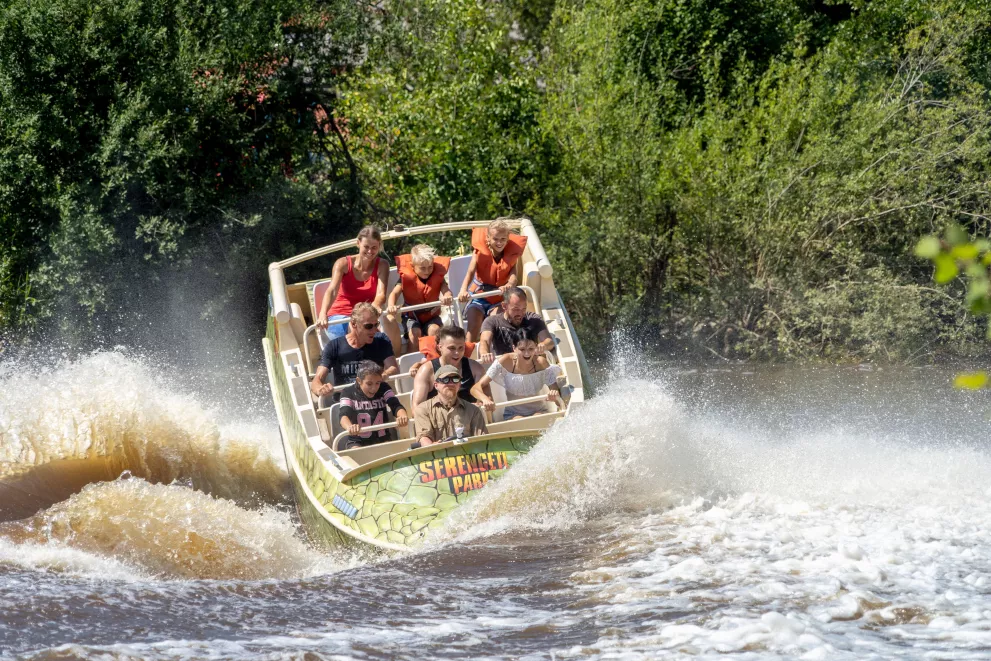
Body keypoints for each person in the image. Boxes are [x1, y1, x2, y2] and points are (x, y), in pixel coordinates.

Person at [314, 225, 402, 350]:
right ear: (358, 243)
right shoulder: (342, 264)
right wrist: (322, 314)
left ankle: (395, 361)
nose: (370, 252)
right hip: (341, 316)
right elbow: (332, 290)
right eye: (366, 247)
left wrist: (374, 307)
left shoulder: (382, 265)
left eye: (374, 248)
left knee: (390, 322)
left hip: (367, 316)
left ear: (379, 246)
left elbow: (380, 294)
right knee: (361, 328)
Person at [457, 219, 528, 342]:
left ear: (507, 239)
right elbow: (470, 272)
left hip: (498, 298)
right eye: (495, 239)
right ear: (488, 238)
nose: (499, 242)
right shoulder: (479, 252)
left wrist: (509, 285)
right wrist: (463, 290)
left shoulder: (511, 253)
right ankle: (467, 358)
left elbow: (513, 275)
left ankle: (495, 355)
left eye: (503, 239)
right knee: (473, 328)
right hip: (479, 296)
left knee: (496, 324)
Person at [472, 326, 563, 419]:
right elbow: (475, 388)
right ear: (514, 348)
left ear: (536, 347)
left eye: (531, 349)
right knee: (520, 421)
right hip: (513, 414)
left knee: (537, 418)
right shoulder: (505, 360)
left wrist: (554, 395)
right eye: (522, 349)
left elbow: (556, 394)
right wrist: (485, 399)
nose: (527, 353)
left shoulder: (542, 362)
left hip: (539, 411)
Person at [310, 303, 398, 399]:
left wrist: (383, 374)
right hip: (346, 402)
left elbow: (393, 368)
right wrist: (320, 389)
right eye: (368, 326)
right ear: (353, 324)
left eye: (376, 325)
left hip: (374, 400)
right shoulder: (334, 346)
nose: (374, 330)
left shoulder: (381, 340)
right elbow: (317, 379)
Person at [387, 244, 454, 354]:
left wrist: (447, 296)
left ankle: (435, 361)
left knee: (435, 331)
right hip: (412, 317)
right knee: (415, 333)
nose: (427, 271)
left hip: (431, 316)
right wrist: (391, 305)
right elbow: (394, 293)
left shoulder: (437, 277)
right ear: (413, 266)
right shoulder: (405, 278)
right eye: (423, 268)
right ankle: (412, 364)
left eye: (430, 267)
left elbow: (446, 290)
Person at [410, 325, 489, 410]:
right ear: (440, 347)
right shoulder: (427, 371)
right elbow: (417, 408)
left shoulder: (476, 368)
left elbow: (488, 402)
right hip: (438, 421)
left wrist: (480, 406)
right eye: (452, 348)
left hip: (469, 420)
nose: (457, 353)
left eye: (461, 348)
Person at [337, 361, 409, 450]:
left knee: (390, 452)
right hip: (357, 441)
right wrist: (350, 427)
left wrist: (402, 416)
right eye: (369, 384)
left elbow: (395, 405)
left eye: (377, 383)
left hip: (383, 439)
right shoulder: (348, 392)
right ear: (359, 381)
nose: (374, 388)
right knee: (356, 452)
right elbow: (344, 415)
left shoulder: (384, 387)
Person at [413, 364, 488, 447]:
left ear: (459, 385)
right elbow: (424, 437)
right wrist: (431, 446)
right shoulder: (423, 409)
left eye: (455, 379)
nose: (451, 383)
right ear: (436, 385)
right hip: (438, 457)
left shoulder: (473, 410)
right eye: (445, 379)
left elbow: (482, 440)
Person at [478, 287, 555, 361]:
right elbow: (485, 341)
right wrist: (485, 353)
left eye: (524, 309)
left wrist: (543, 345)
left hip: (531, 368)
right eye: (516, 309)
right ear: (504, 306)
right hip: (506, 368)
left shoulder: (533, 319)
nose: (520, 314)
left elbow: (549, 342)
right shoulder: (492, 321)